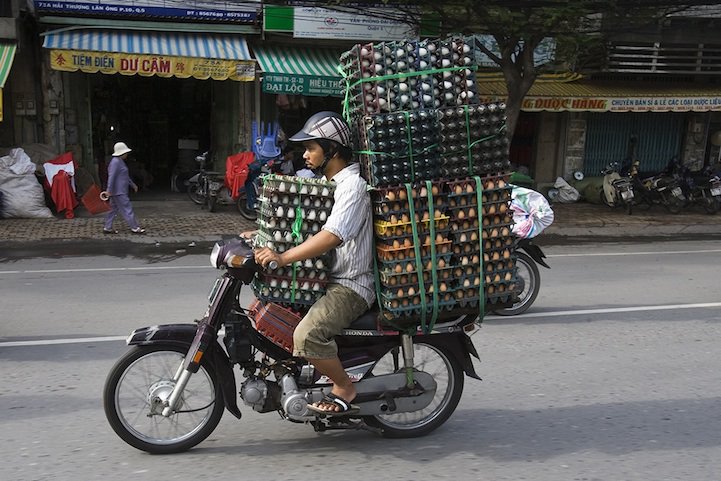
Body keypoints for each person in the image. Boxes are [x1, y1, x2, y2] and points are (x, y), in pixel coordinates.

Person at [245, 111, 374, 415]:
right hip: (327, 278)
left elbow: (331, 236)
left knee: (307, 335)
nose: (305, 155)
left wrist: (282, 257)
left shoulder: (352, 186)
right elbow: (310, 228)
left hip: (350, 285)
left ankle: (344, 386)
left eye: (311, 148)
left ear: (332, 150)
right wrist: (264, 234)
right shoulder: (332, 184)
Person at [101, 142, 146, 234]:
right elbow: (112, 177)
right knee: (127, 208)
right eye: (125, 153)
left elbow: (124, 176)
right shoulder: (116, 162)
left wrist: (132, 184)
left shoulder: (118, 162)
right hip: (119, 191)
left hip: (117, 191)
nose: (127, 154)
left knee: (112, 209)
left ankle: (107, 227)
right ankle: (135, 227)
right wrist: (108, 190)